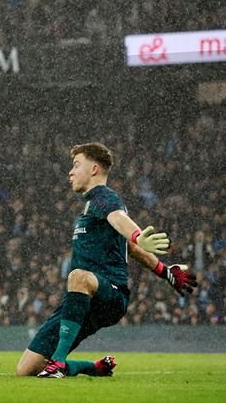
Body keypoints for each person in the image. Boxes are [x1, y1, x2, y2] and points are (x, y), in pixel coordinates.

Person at [15, 142, 197, 378]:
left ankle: (58, 363)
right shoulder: (90, 206)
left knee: (78, 275)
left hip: (109, 292)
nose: (70, 172)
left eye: (76, 165)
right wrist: (166, 272)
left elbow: (120, 219)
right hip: (82, 298)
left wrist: (138, 235)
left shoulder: (104, 197)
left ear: (93, 169)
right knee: (26, 369)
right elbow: (130, 248)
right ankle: (92, 367)